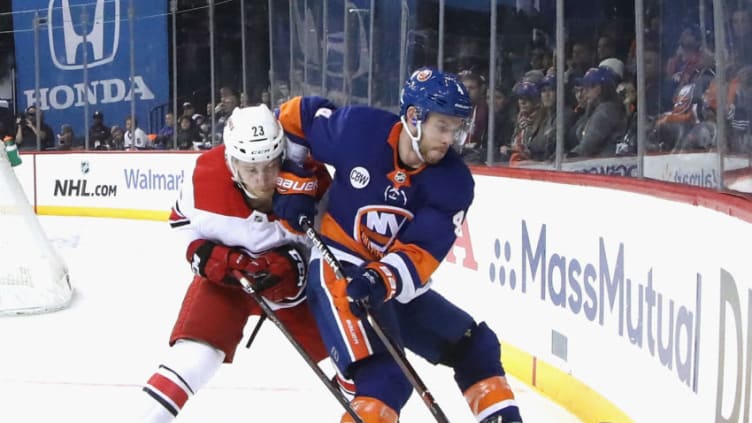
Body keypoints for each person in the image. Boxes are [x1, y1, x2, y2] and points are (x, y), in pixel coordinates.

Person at [273, 68, 523, 423]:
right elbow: (295, 116)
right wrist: (293, 183)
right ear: (413, 117)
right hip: (338, 266)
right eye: (443, 127)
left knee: (475, 347)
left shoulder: (453, 182)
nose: (450, 139)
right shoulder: (358, 131)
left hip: (388, 282)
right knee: (386, 379)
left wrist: (378, 280)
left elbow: (421, 250)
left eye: (456, 128)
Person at [136, 105, 338, 422]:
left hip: (292, 291)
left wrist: (295, 263)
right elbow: (180, 222)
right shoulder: (204, 177)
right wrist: (206, 255)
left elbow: (334, 244)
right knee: (195, 355)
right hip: (228, 281)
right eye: (250, 168)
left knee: (348, 355)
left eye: (271, 166)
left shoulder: (312, 181)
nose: (262, 179)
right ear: (231, 162)